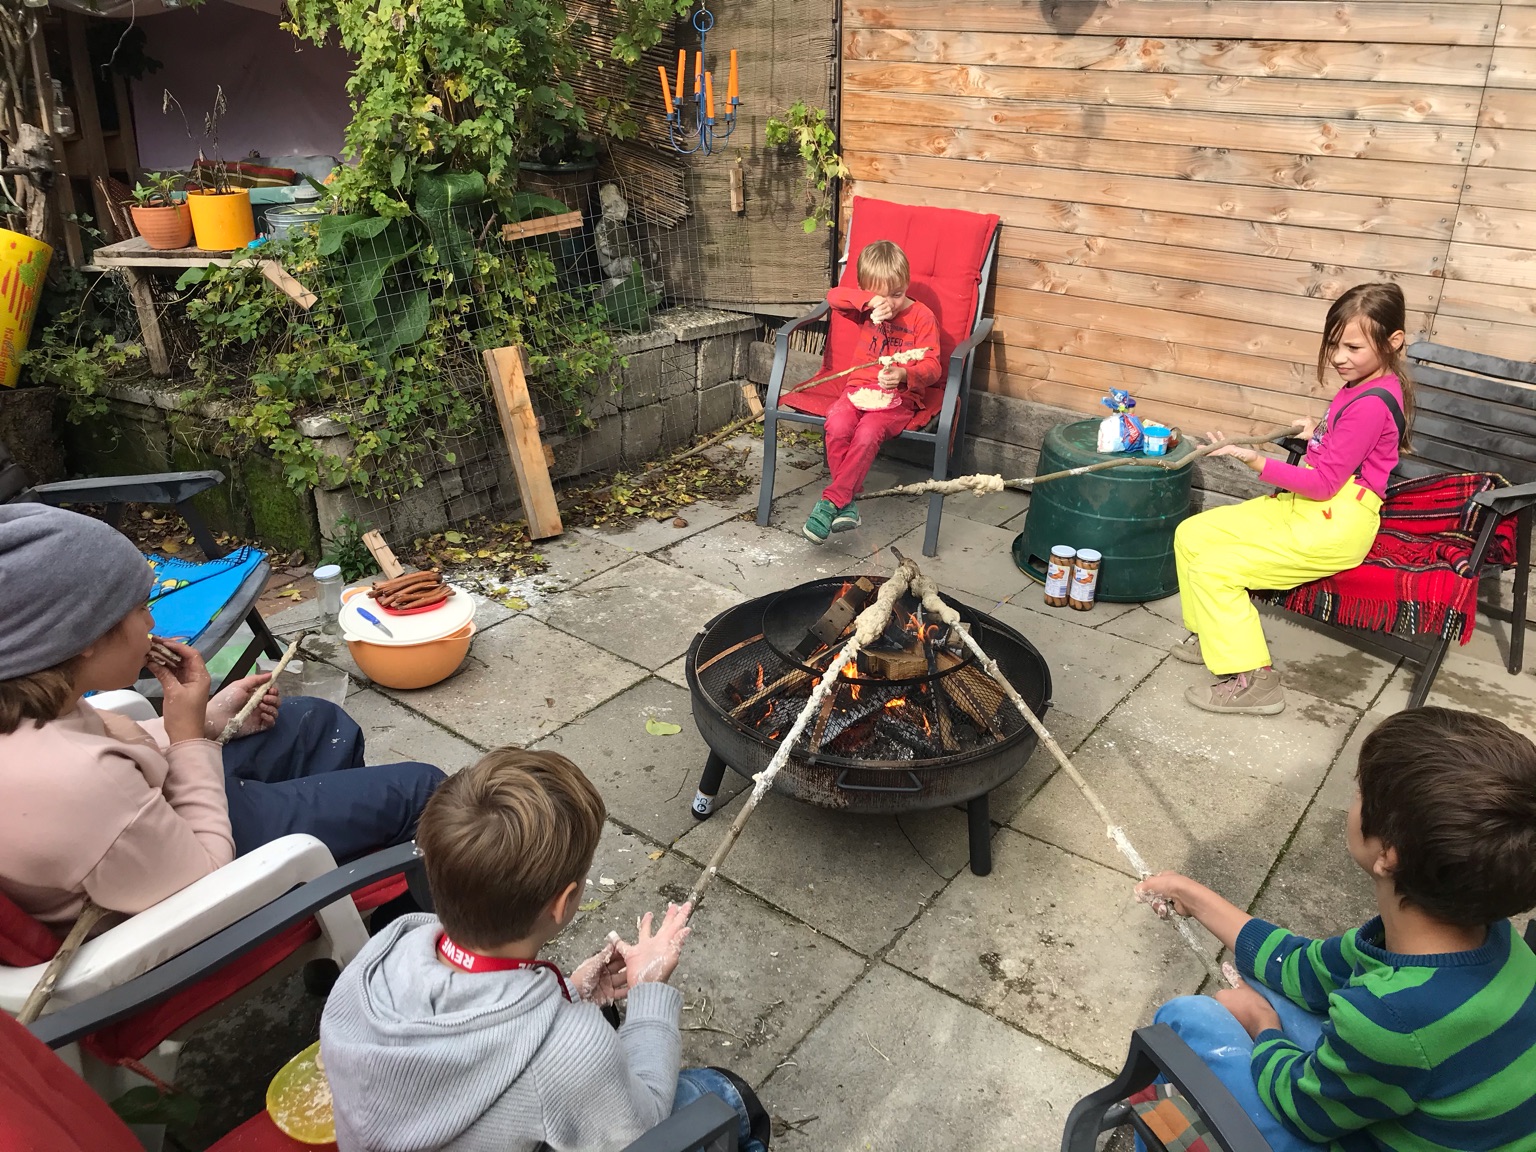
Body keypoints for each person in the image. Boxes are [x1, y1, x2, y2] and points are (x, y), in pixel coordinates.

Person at [0, 503, 444, 928]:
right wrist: (189, 738)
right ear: (82, 636)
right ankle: (392, 935)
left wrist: (205, 718)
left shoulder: (33, 696)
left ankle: (333, 902)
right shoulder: (72, 782)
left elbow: (105, 747)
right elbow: (207, 880)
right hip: (195, 872)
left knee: (316, 723)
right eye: (140, 609)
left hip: (147, 818)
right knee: (424, 791)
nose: (152, 625)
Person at [321, 748, 770, 1152]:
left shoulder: (385, 949)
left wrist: (569, 992)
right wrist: (648, 994)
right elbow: (645, 1126)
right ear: (563, 902)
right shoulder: (571, 1049)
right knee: (727, 1098)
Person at [1133, 707, 1536, 1152]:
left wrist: (1262, 1024)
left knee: (1186, 1019)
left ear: (1390, 854)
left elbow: (1303, 1110)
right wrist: (1195, 896)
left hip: (1349, 1127)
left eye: (1361, 790)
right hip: (1433, 1108)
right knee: (1263, 985)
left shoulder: (1391, 1018)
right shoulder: (1487, 932)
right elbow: (1306, 968)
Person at [1171, 282, 1415, 714]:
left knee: (1215, 569)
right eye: (1334, 344)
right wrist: (1316, 432)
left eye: (1353, 347)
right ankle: (1214, 637)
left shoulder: (1371, 402)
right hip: (1307, 511)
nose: (1339, 357)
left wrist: (1253, 460)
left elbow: (1323, 483)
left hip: (1334, 524)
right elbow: (1343, 449)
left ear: (1393, 341)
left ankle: (1255, 681)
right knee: (1193, 533)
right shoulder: (1362, 383)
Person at [802, 239, 941, 543]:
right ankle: (847, 503)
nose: (890, 302)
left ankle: (831, 501)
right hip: (857, 390)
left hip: (898, 399)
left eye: (897, 294)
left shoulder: (922, 317)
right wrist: (868, 302)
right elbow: (834, 296)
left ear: (906, 284)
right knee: (837, 423)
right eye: (881, 295)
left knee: (866, 433)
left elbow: (933, 366)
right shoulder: (865, 310)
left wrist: (905, 374)